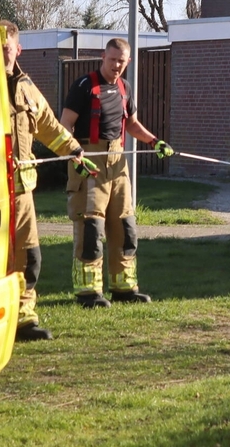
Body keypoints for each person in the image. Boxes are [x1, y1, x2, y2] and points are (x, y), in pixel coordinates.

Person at [60, 38, 174, 308]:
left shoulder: (125, 87)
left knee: (125, 225)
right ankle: (88, 291)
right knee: (91, 226)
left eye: (121, 61)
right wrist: (74, 154)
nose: (116, 65)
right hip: (89, 160)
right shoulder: (84, 85)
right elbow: (64, 124)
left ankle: (124, 287)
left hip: (118, 161)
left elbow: (132, 124)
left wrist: (154, 142)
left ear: (128, 62)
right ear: (103, 57)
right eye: (112, 60)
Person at [0, 20, 92, 341]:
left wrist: (74, 150)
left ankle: (23, 319)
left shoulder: (26, 88)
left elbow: (50, 126)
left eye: (7, 49)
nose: (2, 55)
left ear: (18, 49)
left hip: (22, 192)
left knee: (29, 258)